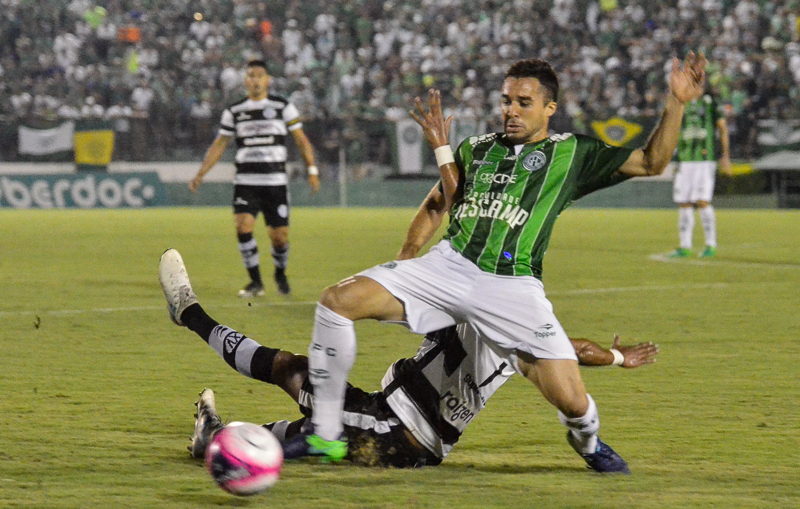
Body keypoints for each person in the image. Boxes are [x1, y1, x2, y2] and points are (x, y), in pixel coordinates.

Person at [293, 52, 707, 472]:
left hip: (511, 286)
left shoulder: (572, 153)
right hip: (449, 265)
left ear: (550, 107)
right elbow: (438, 204)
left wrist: (677, 102)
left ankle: (588, 442)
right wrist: (405, 262)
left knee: (572, 401)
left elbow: (652, 162)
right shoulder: (476, 149)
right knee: (336, 301)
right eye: (507, 100)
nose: (511, 110)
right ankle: (325, 433)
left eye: (524, 102)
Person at [157, 249, 657, 468]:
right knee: (299, 408)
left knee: (294, 376)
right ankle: (214, 438)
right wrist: (616, 357)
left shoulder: (477, 307)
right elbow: (575, 350)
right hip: (393, 421)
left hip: (401, 434)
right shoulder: (517, 331)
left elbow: (572, 352)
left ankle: (191, 316)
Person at [189, 59, 320, 297]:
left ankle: (280, 273)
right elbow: (220, 144)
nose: (256, 80)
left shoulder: (282, 106)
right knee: (243, 226)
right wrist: (201, 174)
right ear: (245, 81)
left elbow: (301, 141)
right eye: (251, 75)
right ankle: (255, 282)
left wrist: (312, 170)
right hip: (246, 182)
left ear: (268, 80)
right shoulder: (235, 110)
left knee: (279, 238)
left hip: (275, 183)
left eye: (260, 75)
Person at [669, 91, 732, 258]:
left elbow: (722, 127)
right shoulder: (681, 104)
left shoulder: (710, 103)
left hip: (705, 161)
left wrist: (725, 155)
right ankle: (685, 246)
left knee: (702, 201)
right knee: (684, 202)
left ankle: (711, 244)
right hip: (685, 160)